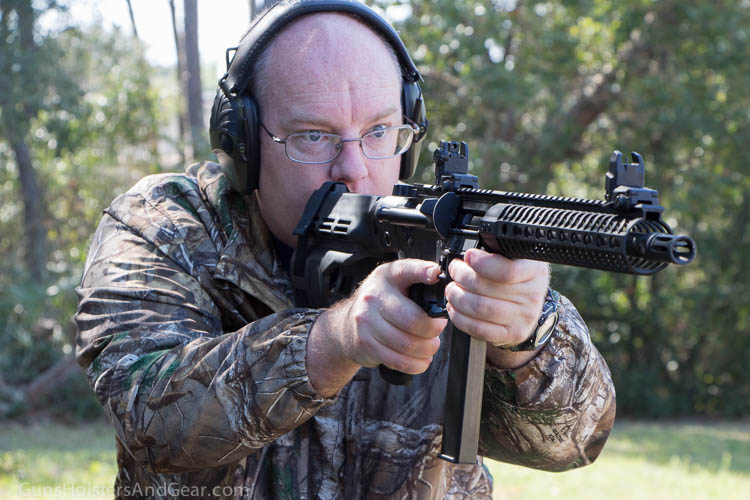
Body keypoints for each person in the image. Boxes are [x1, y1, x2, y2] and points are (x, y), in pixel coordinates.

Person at [75, 1, 615, 498]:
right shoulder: (165, 224)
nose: (355, 169)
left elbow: (569, 444)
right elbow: (151, 420)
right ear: (242, 144)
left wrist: (523, 337)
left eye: (379, 131)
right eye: (314, 135)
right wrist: (337, 339)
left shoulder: (436, 240)